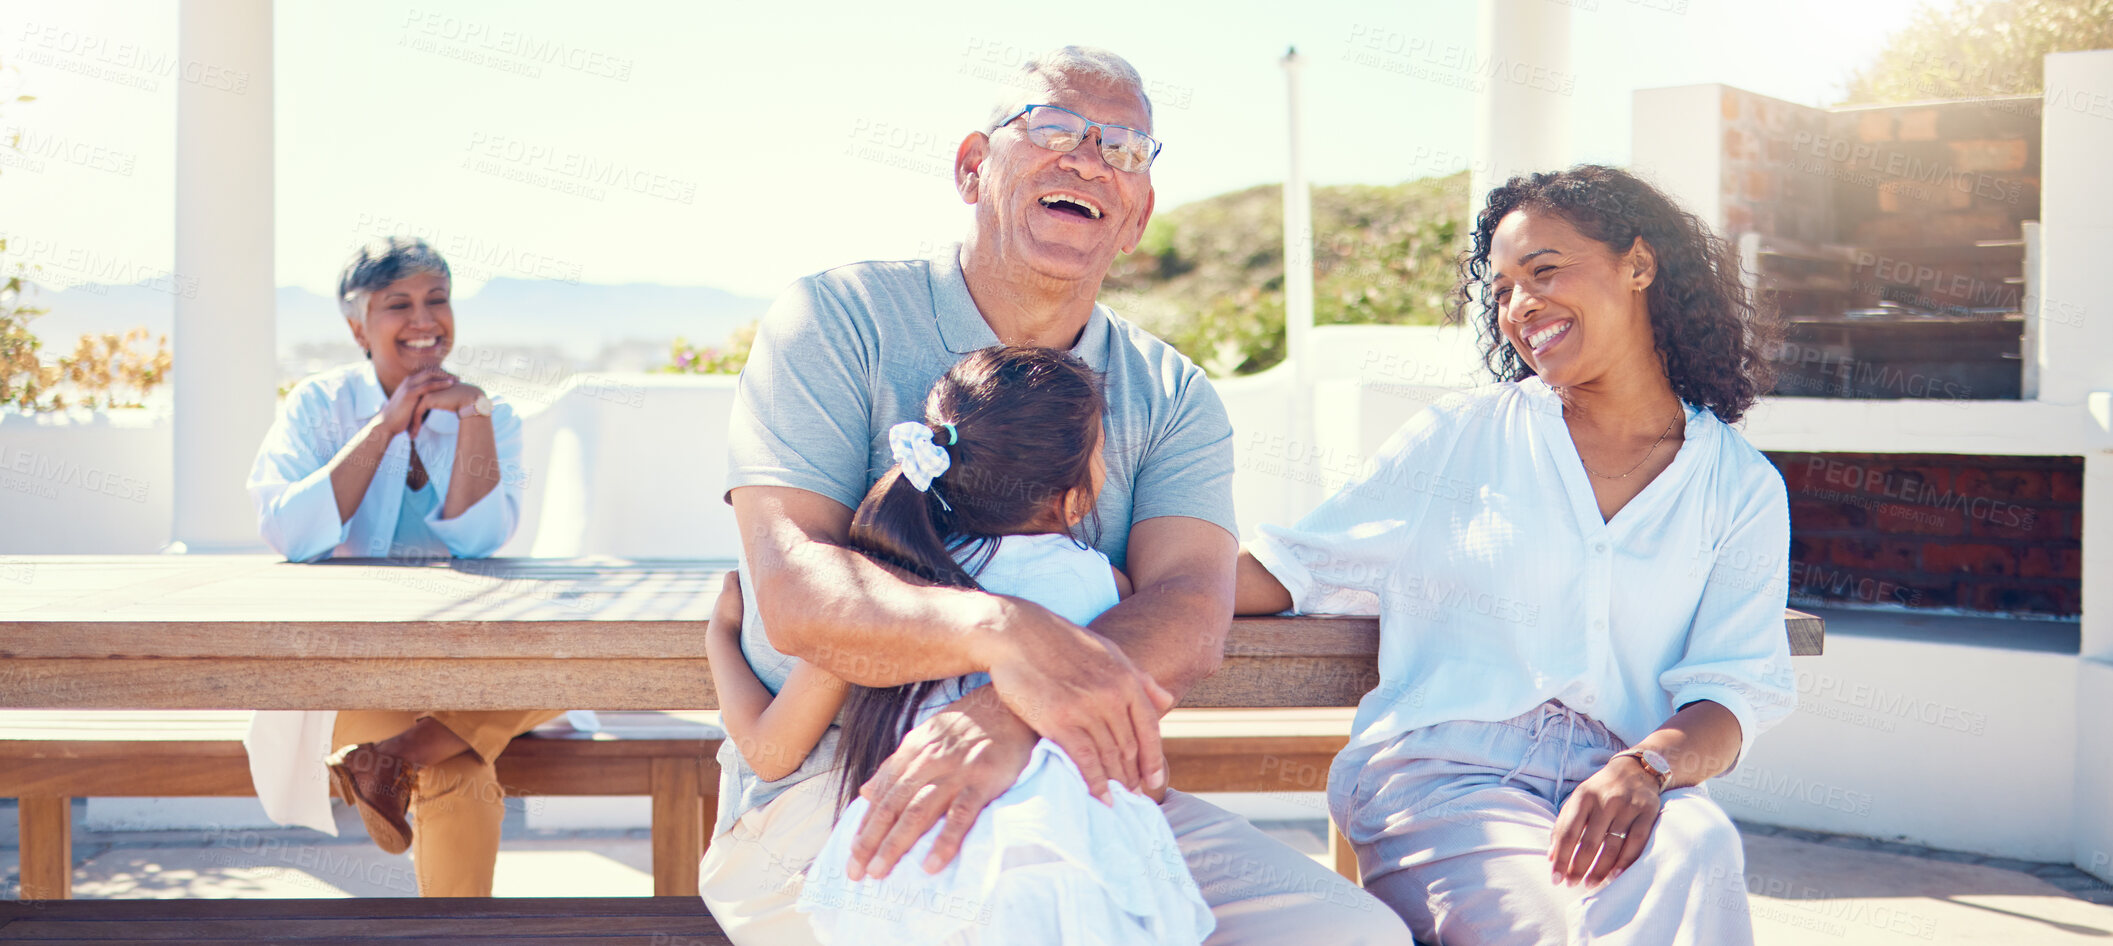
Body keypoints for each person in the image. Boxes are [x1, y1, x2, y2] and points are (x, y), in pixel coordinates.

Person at [700, 45, 1405, 946]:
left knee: (1349, 936)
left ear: (1136, 216)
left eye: (1123, 149)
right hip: (839, 792)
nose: (1086, 159)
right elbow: (797, 594)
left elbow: (1191, 607)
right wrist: (1001, 632)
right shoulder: (835, 321)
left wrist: (1007, 714)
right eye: (1053, 129)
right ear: (970, 167)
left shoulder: (1171, 391)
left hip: (1067, 784)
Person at [1234, 165, 1798, 944]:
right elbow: (1285, 571)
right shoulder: (1461, 437)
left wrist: (1648, 768)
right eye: (1498, 290)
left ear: (1638, 265)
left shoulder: (1738, 485)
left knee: (1698, 846)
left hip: (1622, 779)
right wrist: (1098, 583)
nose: (1518, 306)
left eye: (1542, 271)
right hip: (1448, 774)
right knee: (1547, 929)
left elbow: (1731, 692)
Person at [708, 347, 1210, 945]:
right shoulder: (1109, 591)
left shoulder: (886, 597)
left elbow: (768, 751)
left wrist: (720, 638)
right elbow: (1142, 780)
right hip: (1069, 882)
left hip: (912, 870)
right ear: (1075, 497)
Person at [243, 237, 563, 897]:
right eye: (398, 304)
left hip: (462, 665)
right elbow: (290, 533)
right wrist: (384, 428)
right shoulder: (316, 406)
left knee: (574, 667)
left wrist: (471, 417)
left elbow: (479, 542)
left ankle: (394, 759)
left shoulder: (485, 411)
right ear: (357, 325)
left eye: (436, 299)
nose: (424, 319)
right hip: (355, 671)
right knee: (460, 770)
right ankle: (410, 764)